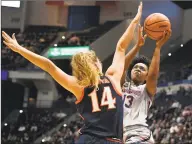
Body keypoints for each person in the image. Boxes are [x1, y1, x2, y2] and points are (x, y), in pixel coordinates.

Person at [2, 2, 142, 144]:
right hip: (110, 140)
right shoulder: (112, 78)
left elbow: (49, 66)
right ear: (96, 64)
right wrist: (135, 21)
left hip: (87, 140)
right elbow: (121, 47)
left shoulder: (79, 86)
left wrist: (21, 50)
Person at [121, 23, 171, 143]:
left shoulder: (146, 90)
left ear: (146, 76)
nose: (138, 69)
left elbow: (153, 75)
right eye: (135, 67)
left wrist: (157, 48)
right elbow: (121, 66)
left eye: (142, 68)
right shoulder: (121, 85)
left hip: (137, 132)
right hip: (118, 135)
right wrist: (137, 46)